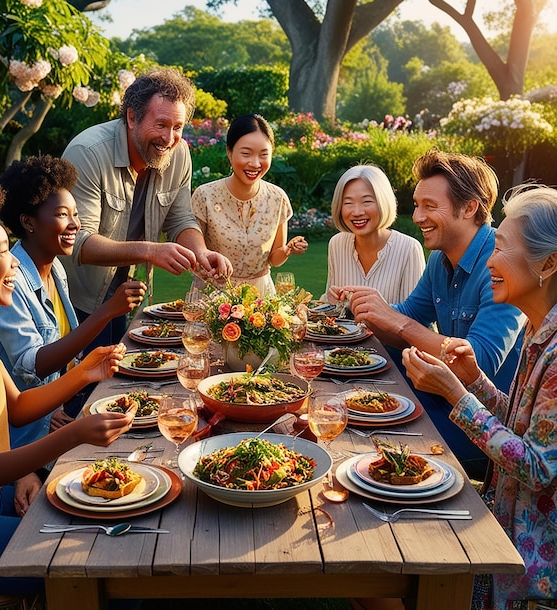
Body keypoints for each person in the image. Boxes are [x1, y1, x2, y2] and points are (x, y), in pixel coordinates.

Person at [0, 175, 135, 595]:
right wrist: (75, 434)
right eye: (3, 252)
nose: (14, 265)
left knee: (111, 527)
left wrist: (85, 373)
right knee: (97, 564)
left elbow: (19, 406)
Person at [401, 185, 557, 609]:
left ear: (549, 263)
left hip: (531, 558)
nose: (488, 260)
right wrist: (474, 381)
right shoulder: (539, 330)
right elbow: (523, 428)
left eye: (502, 248)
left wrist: (456, 394)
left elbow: (538, 467)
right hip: (502, 517)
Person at [339, 149, 525, 480]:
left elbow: (476, 362)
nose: (418, 216)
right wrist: (370, 308)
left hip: (490, 427)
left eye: (430, 206)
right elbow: (408, 316)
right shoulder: (441, 259)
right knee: (349, 408)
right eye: (417, 204)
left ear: (469, 208)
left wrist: (395, 320)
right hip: (444, 400)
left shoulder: (500, 265)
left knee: (371, 440)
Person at [61, 67, 232, 349]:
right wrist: (150, 251)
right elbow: (77, 242)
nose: (169, 138)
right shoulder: (88, 152)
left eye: (177, 127)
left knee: (122, 379)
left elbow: (180, 219)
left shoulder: (179, 153)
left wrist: (201, 253)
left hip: (126, 293)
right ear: (131, 117)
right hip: (79, 300)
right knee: (86, 388)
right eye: (161, 125)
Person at [0, 155, 145, 452]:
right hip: (24, 441)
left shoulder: (55, 269)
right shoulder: (11, 283)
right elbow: (34, 366)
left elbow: (59, 365)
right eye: (62, 215)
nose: (75, 224)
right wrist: (107, 312)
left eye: (75, 214)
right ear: (28, 222)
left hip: (55, 415)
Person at [191, 113, 307, 296]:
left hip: (260, 296)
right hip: (214, 295)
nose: (255, 163)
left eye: (263, 155)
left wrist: (288, 250)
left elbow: (274, 259)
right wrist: (210, 272)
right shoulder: (205, 196)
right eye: (246, 154)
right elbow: (196, 255)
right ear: (229, 153)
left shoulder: (277, 198)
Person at [324, 164, 425, 304]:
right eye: (348, 203)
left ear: (383, 202)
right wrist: (331, 299)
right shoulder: (336, 244)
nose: (357, 212)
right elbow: (330, 310)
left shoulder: (409, 249)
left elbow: (415, 318)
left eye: (366, 201)